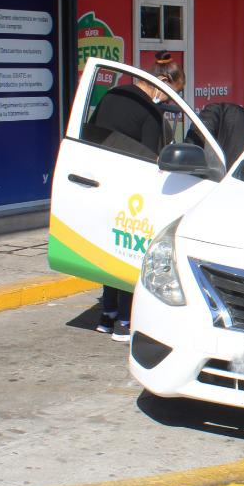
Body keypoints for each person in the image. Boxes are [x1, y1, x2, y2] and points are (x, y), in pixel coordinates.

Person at [87, 66, 168, 341]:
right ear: (162, 83)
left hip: (101, 182)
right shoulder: (150, 111)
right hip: (132, 190)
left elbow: (90, 132)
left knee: (111, 247)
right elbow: (151, 160)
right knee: (131, 250)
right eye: (170, 95)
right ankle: (125, 319)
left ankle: (107, 314)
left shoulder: (112, 95)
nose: (167, 102)